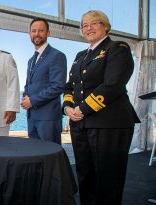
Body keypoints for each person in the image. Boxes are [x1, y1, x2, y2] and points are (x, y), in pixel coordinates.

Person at [62, 10, 140, 205]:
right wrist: (67, 108)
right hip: (80, 124)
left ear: (105, 25)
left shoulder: (117, 48)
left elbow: (112, 84)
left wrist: (81, 109)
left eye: (94, 23)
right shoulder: (81, 55)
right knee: (85, 176)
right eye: (84, 25)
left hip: (109, 123)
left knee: (107, 180)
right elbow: (70, 86)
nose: (88, 28)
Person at [21, 18, 67, 144]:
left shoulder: (57, 56)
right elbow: (28, 84)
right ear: (29, 34)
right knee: (35, 156)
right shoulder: (31, 60)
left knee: (50, 158)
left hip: (48, 119)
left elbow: (58, 86)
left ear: (48, 33)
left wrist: (32, 100)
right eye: (33, 31)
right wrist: (25, 97)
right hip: (32, 117)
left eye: (41, 30)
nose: (36, 34)